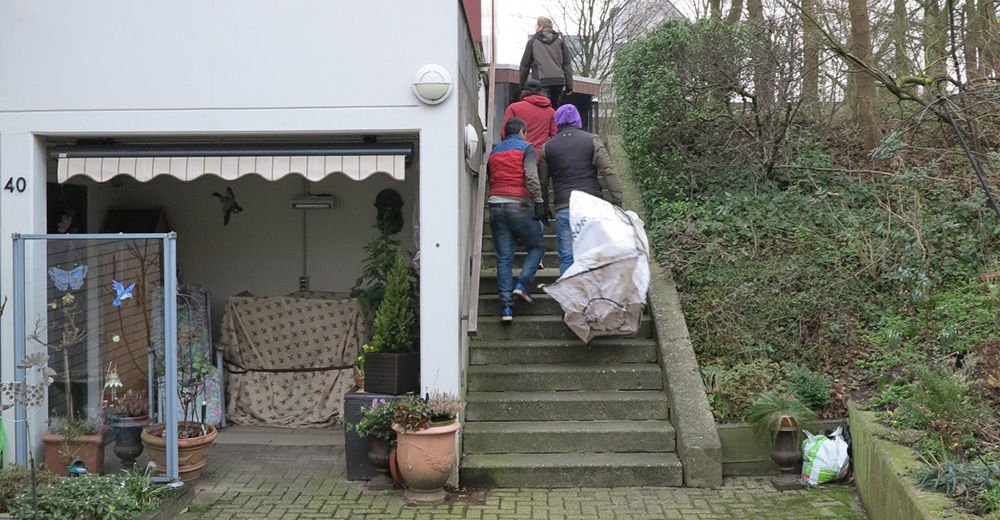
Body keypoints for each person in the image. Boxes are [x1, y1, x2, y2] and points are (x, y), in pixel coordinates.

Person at [538, 104, 624, 276]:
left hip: (564, 207)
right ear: (578, 119)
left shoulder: (547, 147)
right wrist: (617, 200)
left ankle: (569, 293)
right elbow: (608, 171)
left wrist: (544, 207)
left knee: (567, 258)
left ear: (557, 121)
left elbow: (543, 183)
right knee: (593, 256)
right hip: (590, 207)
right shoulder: (592, 140)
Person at [487, 117, 546, 322]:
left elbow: (491, 178)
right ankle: (522, 284)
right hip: (519, 205)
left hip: (495, 206)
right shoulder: (526, 148)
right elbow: (531, 176)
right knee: (537, 246)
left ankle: (506, 309)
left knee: (504, 259)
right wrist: (539, 201)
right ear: (522, 132)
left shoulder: (494, 152)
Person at [502, 78, 558, 269]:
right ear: (541, 92)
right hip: (540, 160)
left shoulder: (514, 108)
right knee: (536, 202)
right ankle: (537, 254)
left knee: (517, 196)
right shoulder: (551, 112)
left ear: (524, 91)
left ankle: (516, 240)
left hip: (517, 157)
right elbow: (554, 136)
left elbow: (504, 133)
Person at [519, 16, 574, 108]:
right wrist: (569, 86)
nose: (536, 28)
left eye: (537, 26)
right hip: (558, 82)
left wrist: (522, 86)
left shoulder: (532, 42)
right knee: (554, 110)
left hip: (541, 82)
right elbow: (567, 65)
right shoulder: (560, 43)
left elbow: (525, 66)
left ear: (541, 26)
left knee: (543, 109)